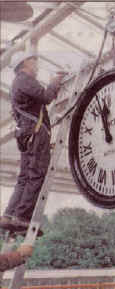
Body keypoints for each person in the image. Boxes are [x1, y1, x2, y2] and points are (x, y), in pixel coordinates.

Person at [0, 51, 63, 234]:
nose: (37, 66)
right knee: (36, 175)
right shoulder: (24, 79)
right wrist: (55, 81)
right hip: (34, 132)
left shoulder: (17, 83)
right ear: (25, 63)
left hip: (26, 133)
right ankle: (22, 217)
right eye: (34, 62)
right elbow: (46, 97)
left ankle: (9, 215)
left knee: (25, 177)